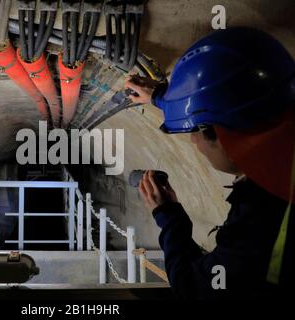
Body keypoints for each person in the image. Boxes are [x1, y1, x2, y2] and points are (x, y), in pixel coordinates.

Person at [124, 27, 294, 299]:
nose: (194, 142)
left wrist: (169, 218)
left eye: (194, 132)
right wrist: (164, 100)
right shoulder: (279, 116)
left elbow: (192, 287)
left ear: (223, 134)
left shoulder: (258, 225)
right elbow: (237, 99)